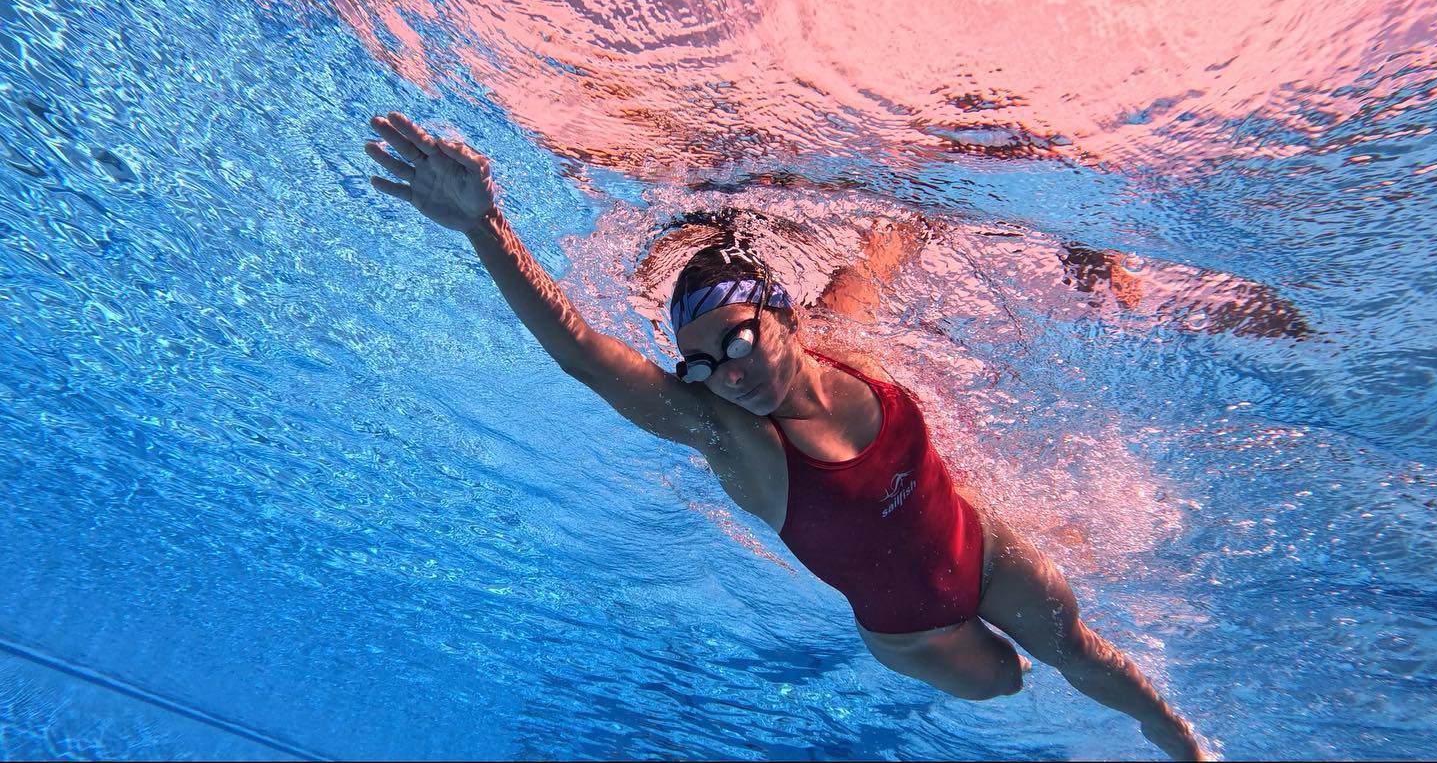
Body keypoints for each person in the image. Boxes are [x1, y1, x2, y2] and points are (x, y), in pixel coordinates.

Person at [363, 111, 1206, 760]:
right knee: (1006, 679)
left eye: (736, 341)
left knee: (1078, 650)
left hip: (976, 549)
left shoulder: (853, 334)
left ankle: (1182, 742)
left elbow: (900, 228)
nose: (729, 373)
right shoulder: (740, 445)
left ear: (783, 316)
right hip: (914, 631)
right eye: (703, 365)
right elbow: (584, 354)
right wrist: (486, 225)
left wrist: (979, 141)